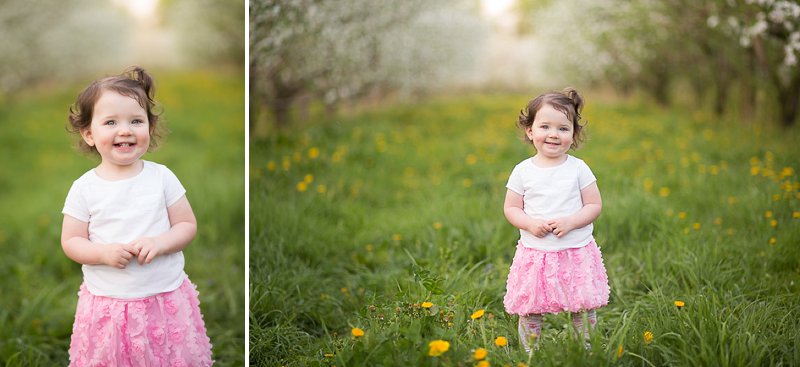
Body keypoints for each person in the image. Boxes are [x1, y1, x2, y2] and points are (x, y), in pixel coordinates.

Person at [61, 66, 213, 366]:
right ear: (89, 134)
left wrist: (160, 243)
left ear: (150, 127)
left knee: (168, 357)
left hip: (163, 298)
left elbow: (186, 224)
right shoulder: (84, 188)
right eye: (110, 122)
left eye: (136, 120)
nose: (125, 130)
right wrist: (102, 253)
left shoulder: (162, 177)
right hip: (110, 302)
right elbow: (71, 241)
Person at [502, 88, 609, 352]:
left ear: (573, 135)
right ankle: (530, 352)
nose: (553, 134)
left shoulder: (578, 168)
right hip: (536, 253)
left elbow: (594, 204)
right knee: (531, 308)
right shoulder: (523, 171)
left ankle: (585, 350)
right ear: (530, 131)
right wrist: (528, 223)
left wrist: (572, 222)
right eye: (545, 126)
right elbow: (511, 208)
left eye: (563, 128)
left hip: (575, 250)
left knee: (582, 306)